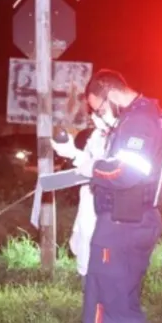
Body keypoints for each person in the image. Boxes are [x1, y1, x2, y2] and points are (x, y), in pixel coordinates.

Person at [50, 70, 162, 323]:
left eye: (97, 108)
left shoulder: (138, 120)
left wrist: (88, 165)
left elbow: (125, 173)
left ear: (109, 95)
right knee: (125, 310)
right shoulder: (153, 114)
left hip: (119, 229)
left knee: (101, 316)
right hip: (135, 224)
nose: (98, 115)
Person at [68, 113, 112, 286]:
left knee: (100, 239)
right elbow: (86, 160)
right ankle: (87, 281)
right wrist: (73, 154)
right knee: (85, 234)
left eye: (97, 113)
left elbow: (107, 167)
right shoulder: (95, 135)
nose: (93, 118)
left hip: (107, 197)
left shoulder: (120, 135)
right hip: (89, 193)